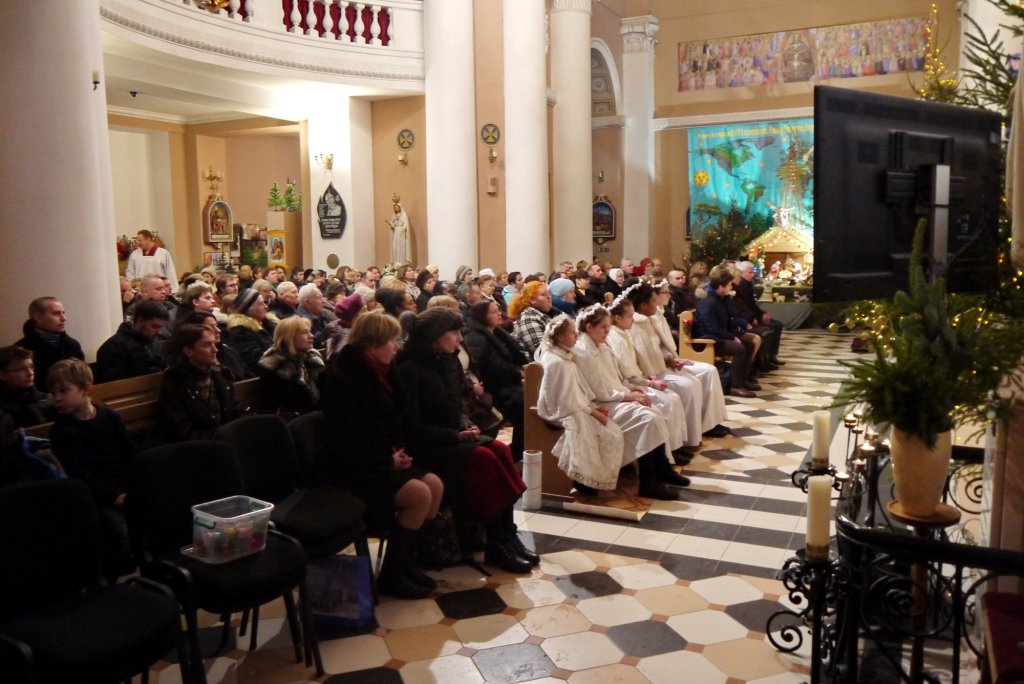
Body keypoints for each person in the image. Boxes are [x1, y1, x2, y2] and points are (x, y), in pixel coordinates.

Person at [398, 307, 536, 574]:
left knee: (500, 449)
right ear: (435, 336)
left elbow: (455, 408)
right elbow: (412, 428)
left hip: (452, 438)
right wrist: (455, 434)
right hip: (429, 447)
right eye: (454, 333)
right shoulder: (409, 369)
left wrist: (465, 423)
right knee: (484, 458)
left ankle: (507, 534)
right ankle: (496, 542)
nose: (460, 339)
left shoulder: (447, 363)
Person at [320, 311, 444, 599]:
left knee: (435, 485)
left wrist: (398, 452)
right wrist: (388, 460)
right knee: (419, 494)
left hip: (380, 458)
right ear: (372, 345)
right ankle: (392, 575)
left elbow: (396, 422)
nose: (396, 347)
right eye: (390, 341)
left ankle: (407, 562)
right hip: (353, 470)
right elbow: (345, 443)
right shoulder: (344, 380)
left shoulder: (384, 372)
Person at [572, 305, 687, 498]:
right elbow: (599, 391)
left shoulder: (600, 345)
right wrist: (630, 396)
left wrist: (630, 390)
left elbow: (614, 379)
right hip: (597, 405)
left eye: (608, 327)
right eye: (603, 327)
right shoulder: (583, 351)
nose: (607, 332)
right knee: (648, 418)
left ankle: (662, 468)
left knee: (654, 411)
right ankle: (648, 482)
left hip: (612, 398)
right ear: (589, 327)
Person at [47, 359, 135, 579]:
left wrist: (136, 485)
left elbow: (129, 454)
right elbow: (78, 473)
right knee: (120, 533)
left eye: (63, 391)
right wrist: (114, 497)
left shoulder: (110, 417)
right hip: (96, 495)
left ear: (86, 389)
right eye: (53, 393)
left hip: (124, 486)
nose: (57, 398)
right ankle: (115, 580)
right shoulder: (61, 430)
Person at [535, 314, 625, 493]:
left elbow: (577, 390)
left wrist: (591, 407)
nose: (576, 335)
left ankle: (594, 477)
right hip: (560, 411)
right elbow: (565, 401)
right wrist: (592, 412)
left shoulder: (564, 356)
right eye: (572, 333)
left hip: (572, 407)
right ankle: (582, 479)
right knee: (587, 428)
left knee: (611, 431)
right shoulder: (556, 361)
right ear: (560, 337)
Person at [627, 283, 730, 439]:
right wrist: (664, 364)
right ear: (642, 305)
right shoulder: (635, 325)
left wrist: (670, 359)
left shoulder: (650, 318)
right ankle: (690, 435)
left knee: (708, 371)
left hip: (663, 364)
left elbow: (658, 347)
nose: (667, 297)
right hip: (651, 373)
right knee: (688, 385)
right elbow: (642, 357)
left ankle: (708, 424)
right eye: (654, 300)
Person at [606, 296, 703, 460]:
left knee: (673, 398)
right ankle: (668, 452)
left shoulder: (623, 333)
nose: (633, 319)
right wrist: (650, 383)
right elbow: (626, 372)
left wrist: (647, 376)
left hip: (639, 379)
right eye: (629, 316)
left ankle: (676, 445)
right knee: (667, 402)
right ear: (617, 318)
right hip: (630, 385)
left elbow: (634, 362)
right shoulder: (615, 338)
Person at [464, 300, 529, 460]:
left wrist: (519, 372)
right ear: (483, 316)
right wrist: (516, 374)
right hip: (494, 389)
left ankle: (520, 450)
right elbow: (478, 367)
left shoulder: (495, 332)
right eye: (494, 312)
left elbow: (509, 359)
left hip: (506, 383)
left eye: (498, 310)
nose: (500, 314)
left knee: (531, 397)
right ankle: (516, 453)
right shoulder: (475, 338)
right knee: (525, 404)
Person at [158, 324, 240, 442]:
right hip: (199, 446)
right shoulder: (175, 382)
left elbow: (236, 410)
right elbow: (182, 431)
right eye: (207, 345)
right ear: (188, 351)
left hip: (227, 439)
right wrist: (221, 439)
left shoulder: (221, 374)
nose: (215, 350)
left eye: (214, 344)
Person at [695, 267, 759, 397]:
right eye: (729, 285)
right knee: (739, 349)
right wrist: (731, 337)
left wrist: (736, 330)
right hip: (709, 338)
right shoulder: (707, 302)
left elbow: (731, 317)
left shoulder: (721, 298)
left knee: (749, 344)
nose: (731, 287)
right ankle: (735, 386)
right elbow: (711, 328)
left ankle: (742, 379)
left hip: (720, 334)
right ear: (721, 287)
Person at [257, 315, 325, 417]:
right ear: (289, 337)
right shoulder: (274, 365)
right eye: (304, 332)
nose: (311, 336)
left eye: (310, 332)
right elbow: (280, 405)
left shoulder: (312, 359)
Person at [16, 297, 84, 390]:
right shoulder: (20, 351)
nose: (64, 318)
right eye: (56, 313)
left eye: (63, 313)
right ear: (38, 317)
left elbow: (82, 379)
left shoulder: (72, 345)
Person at [94, 299, 169, 382]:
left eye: (161, 327)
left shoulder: (154, 343)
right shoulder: (113, 347)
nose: (159, 332)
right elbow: (112, 385)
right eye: (154, 326)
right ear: (140, 320)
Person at [734, 261, 785, 369]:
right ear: (742, 273)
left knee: (777, 325)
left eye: (753, 272)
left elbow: (752, 305)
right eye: (750, 273)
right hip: (747, 319)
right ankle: (763, 361)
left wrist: (762, 314)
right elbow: (744, 308)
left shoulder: (747, 284)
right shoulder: (741, 286)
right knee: (770, 328)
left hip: (752, 316)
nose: (753, 275)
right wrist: (754, 318)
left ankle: (770, 356)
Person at [0, 346, 56, 428]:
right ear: (3, 375)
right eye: (21, 369)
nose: (30, 373)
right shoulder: (3, 410)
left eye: (31, 367)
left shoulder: (47, 400)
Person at [223, 288, 276, 376]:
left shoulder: (267, 324)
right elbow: (257, 362)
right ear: (249, 309)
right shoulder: (241, 332)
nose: (266, 306)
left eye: (265, 303)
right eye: (261, 304)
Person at [509, 281, 553, 357]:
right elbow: (542, 353)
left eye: (549, 294)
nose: (549, 297)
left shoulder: (542, 314)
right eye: (543, 295)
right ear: (532, 300)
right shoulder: (528, 320)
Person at [323, 292, 365, 362]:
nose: (367, 313)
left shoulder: (341, 327)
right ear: (354, 317)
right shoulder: (345, 343)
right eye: (364, 311)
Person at [296, 283, 335, 349]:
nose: (323, 301)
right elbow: (315, 343)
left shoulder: (322, 314)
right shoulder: (300, 321)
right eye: (319, 298)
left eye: (322, 297)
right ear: (308, 303)